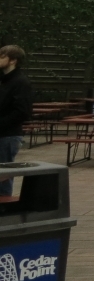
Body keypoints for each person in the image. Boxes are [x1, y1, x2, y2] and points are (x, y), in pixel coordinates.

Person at [0, 46, 33, 196]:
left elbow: (22, 112)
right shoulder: (4, 80)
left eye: (2, 57)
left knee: (4, 175)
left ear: (13, 60)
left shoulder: (20, 82)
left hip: (8, 135)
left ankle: (4, 210)